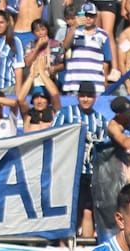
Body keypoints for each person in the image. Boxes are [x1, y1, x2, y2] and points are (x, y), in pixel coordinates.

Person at [52, 80, 106, 238]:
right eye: (82, 96)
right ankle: (65, 247)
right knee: (69, 211)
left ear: (95, 97)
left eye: (89, 96)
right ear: (77, 97)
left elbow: (105, 146)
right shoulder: (66, 113)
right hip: (69, 172)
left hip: (90, 173)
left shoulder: (100, 119)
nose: (86, 99)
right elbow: (54, 136)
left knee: (88, 211)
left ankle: (85, 249)